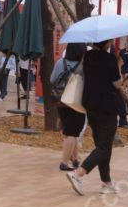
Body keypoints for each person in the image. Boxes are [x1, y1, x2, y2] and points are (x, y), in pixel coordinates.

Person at [66, 39, 121, 196]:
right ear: (107, 42)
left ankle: (107, 182)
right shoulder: (110, 59)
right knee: (104, 147)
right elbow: (117, 83)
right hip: (107, 106)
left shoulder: (87, 56)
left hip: (91, 105)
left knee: (102, 146)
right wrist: (119, 66)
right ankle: (78, 174)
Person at [51, 43, 87, 172]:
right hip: (76, 103)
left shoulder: (60, 62)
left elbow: (52, 79)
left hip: (61, 101)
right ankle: (64, 163)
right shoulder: (83, 66)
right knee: (72, 133)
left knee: (71, 131)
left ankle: (75, 158)